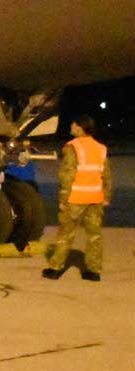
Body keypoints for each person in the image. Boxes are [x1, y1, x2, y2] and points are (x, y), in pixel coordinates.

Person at [43, 115, 113, 281]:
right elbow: (107, 175)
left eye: (73, 125)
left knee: (66, 234)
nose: (71, 127)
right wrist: (106, 195)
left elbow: (68, 175)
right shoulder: (100, 148)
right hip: (95, 197)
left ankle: (56, 268)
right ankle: (93, 271)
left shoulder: (73, 147)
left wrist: (62, 198)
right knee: (94, 235)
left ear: (80, 128)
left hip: (75, 197)